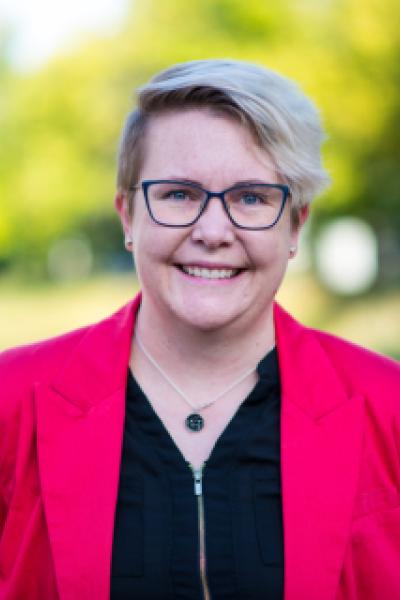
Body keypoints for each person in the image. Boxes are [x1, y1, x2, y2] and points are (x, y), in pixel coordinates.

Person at [0, 59, 399, 600]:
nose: (212, 231)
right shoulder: (11, 400)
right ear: (127, 216)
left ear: (296, 224)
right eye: (179, 194)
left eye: (252, 198)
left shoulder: (388, 407)